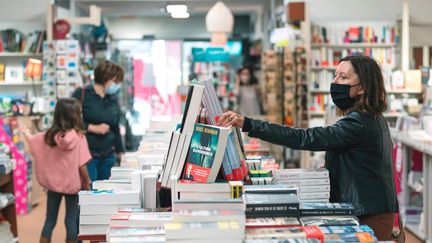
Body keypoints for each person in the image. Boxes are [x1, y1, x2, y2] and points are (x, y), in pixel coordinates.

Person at [218, 55, 403, 241]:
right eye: (335, 75)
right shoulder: (369, 117)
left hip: (370, 214)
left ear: (362, 87)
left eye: (343, 77)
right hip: (370, 208)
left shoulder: (359, 122)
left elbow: (304, 138)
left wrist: (249, 124)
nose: (335, 82)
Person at [22, 98, 91, 243]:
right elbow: (81, 165)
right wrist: (87, 180)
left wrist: (26, 133)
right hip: (72, 185)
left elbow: (33, 142)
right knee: (70, 220)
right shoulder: (79, 138)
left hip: (53, 185)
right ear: (75, 115)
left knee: (50, 220)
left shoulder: (48, 136)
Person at [72, 61, 125, 182]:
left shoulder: (112, 98)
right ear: (105, 78)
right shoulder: (82, 93)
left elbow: (115, 127)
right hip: (87, 156)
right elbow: (69, 120)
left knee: (106, 193)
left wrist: (121, 152)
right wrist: (91, 127)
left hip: (108, 156)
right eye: (115, 81)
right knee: (89, 194)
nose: (116, 85)